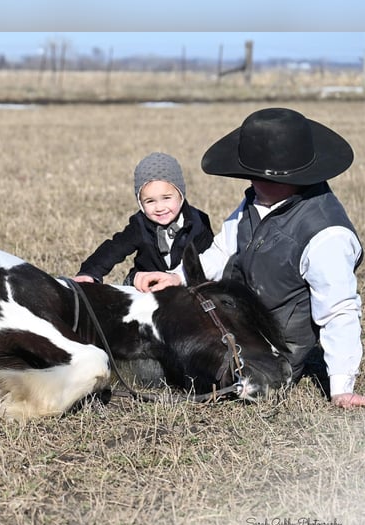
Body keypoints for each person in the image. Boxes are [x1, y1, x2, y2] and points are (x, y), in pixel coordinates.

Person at [134, 107, 365, 409]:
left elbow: (338, 312)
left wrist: (341, 387)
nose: (251, 183)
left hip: (269, 351)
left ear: (296, 176)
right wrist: (177, 275)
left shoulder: (327, 236)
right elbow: (223, 248)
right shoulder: (257, 199)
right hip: (229, 317)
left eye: (259, 177)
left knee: (155, 367)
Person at [73, 152, 213, 286]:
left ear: (181, 196)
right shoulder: (140, 224)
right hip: (146, 283)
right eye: (150, 201)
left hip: (184, 284)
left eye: (166, 198)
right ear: (140, 202)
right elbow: (114, 249)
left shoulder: (198, 222)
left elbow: (211, 259)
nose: (159, 207)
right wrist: (90, 272)